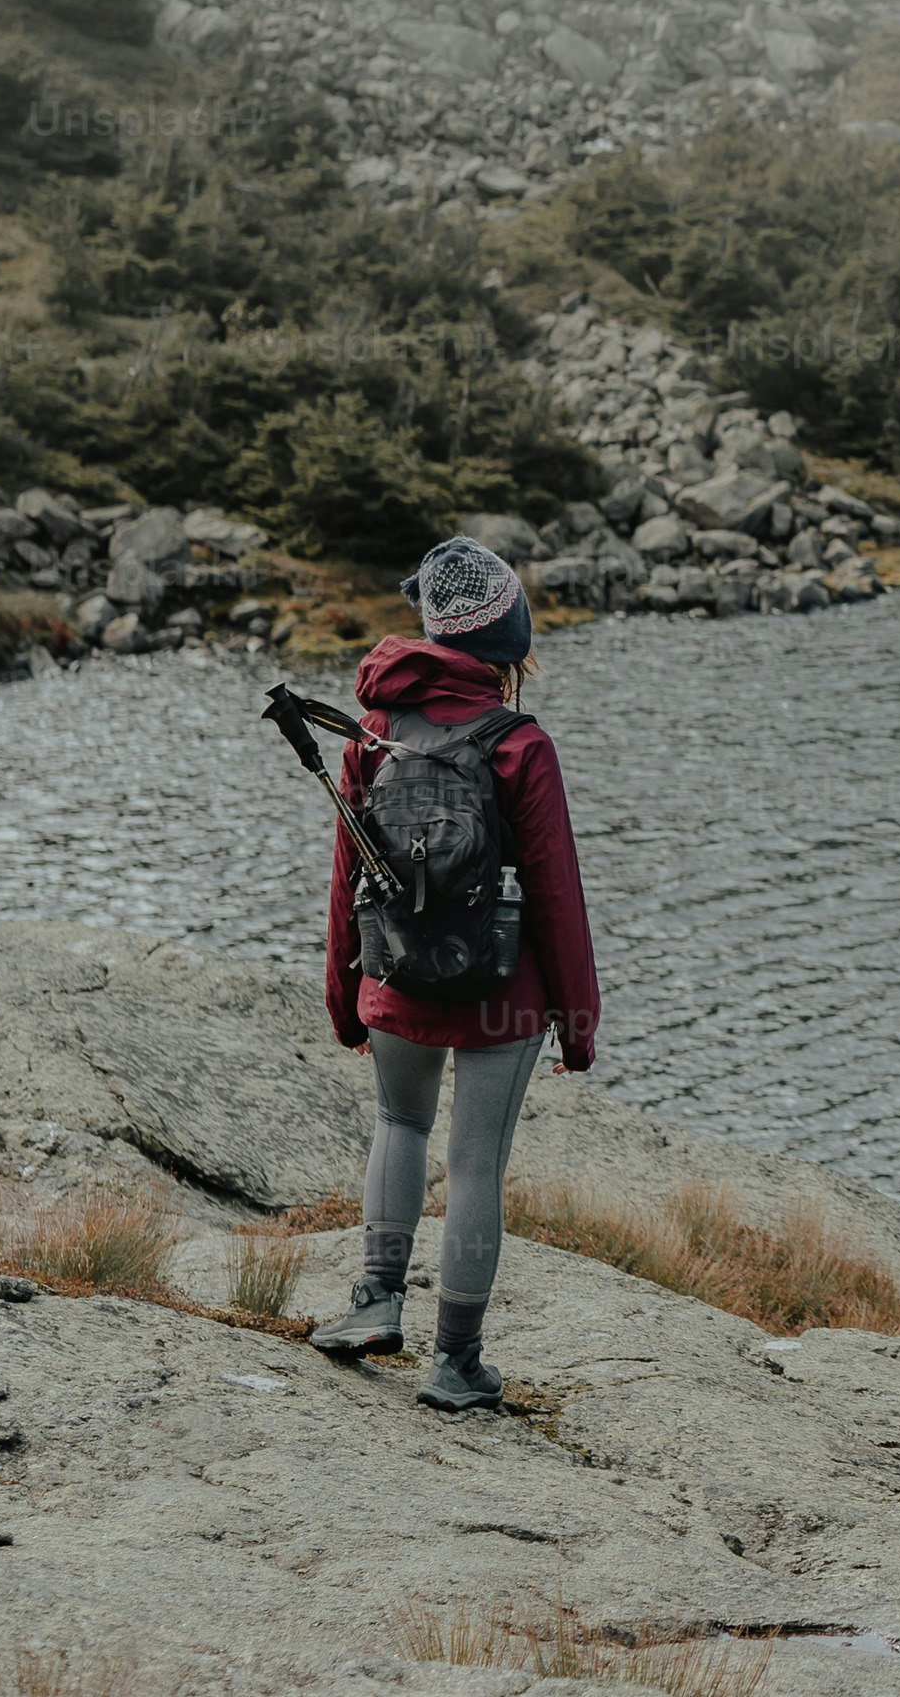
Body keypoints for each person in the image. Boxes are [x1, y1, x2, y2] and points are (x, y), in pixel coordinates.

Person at [310, 536, 600, 1409]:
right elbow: (557, 898)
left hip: (395, 974)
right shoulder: (521, 743)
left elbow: (346, 880)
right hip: (501, 991)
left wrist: (345, 1001)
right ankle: (457, 1361)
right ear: (508, 644)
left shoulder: (372, 733)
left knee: (398, 1123)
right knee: (475, 1166)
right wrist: (578, 1026)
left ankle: (374, 1304)